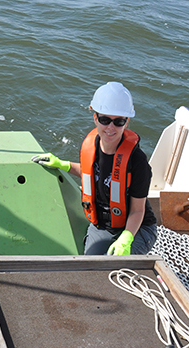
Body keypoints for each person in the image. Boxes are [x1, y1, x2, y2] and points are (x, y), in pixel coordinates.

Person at [32, 82, 157, 255]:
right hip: (104, 226)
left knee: (114, 268)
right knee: (90, 267)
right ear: (95, 118)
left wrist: (126, 238)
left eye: (119, 121)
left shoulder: (138, 162)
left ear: (127, 122)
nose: (111, 128)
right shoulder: (92, 146)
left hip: (137, 228)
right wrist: (62, 164)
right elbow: (90, 173)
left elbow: (138, 210)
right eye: (105, 120)